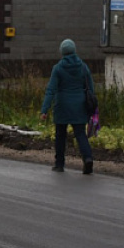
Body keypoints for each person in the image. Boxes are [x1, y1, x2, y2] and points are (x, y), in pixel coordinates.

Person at [40, 39, 94, 175]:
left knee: (60, 135)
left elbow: (51, 90)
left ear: (62, 52)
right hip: (79, 105)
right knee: (80, 134)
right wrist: (92, 108)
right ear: (74, 50)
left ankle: (59, 164)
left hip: (62, 105)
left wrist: (44, 109)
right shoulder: (83, 67)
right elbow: (90, 89)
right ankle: (87, 158)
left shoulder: (58, 68)